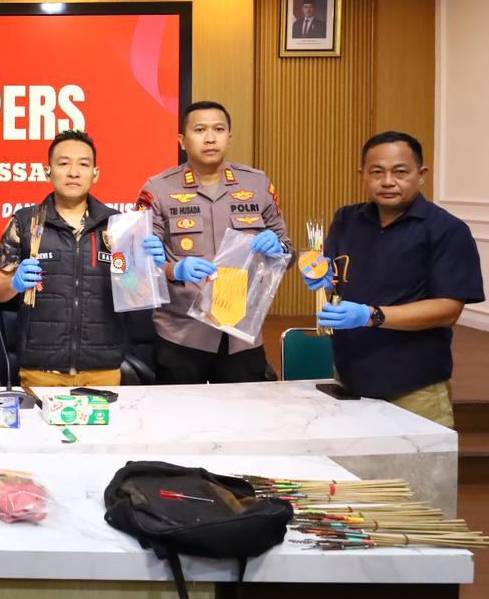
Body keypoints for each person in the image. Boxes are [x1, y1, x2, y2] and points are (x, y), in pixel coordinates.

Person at [302, 131, 484, 427]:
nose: (388, 181)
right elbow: (333, 277)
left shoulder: (447, 230)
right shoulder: (346, 219)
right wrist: (319, 276)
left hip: (414, 388)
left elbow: (448, 309)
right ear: (362, 174)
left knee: (419, 460)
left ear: (421, 175)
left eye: (400, 172)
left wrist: (371, 315)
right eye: (377, 172)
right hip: (349, 379)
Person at [0, 130, 165, 388]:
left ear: (95, 173)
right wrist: (14, 283)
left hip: (103, 370)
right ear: (48, 171)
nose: (73, 172)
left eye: (83, 164)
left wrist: (148, 268)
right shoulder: (25, 223)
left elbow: (135, 294)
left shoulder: (117, 225)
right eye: (63, 163)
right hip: (41, 371)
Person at [136, 100, 291, 383]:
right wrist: (173, 269)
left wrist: (279, 249)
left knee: (244, 410)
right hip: (181, 334)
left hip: (242, 335)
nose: (210, 138)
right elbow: (139, 265)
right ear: (182, 140)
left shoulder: (257, 184)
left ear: (229, 137)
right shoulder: (157, 189)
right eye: (200, 130)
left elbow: (288, 251)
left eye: (218, 129)